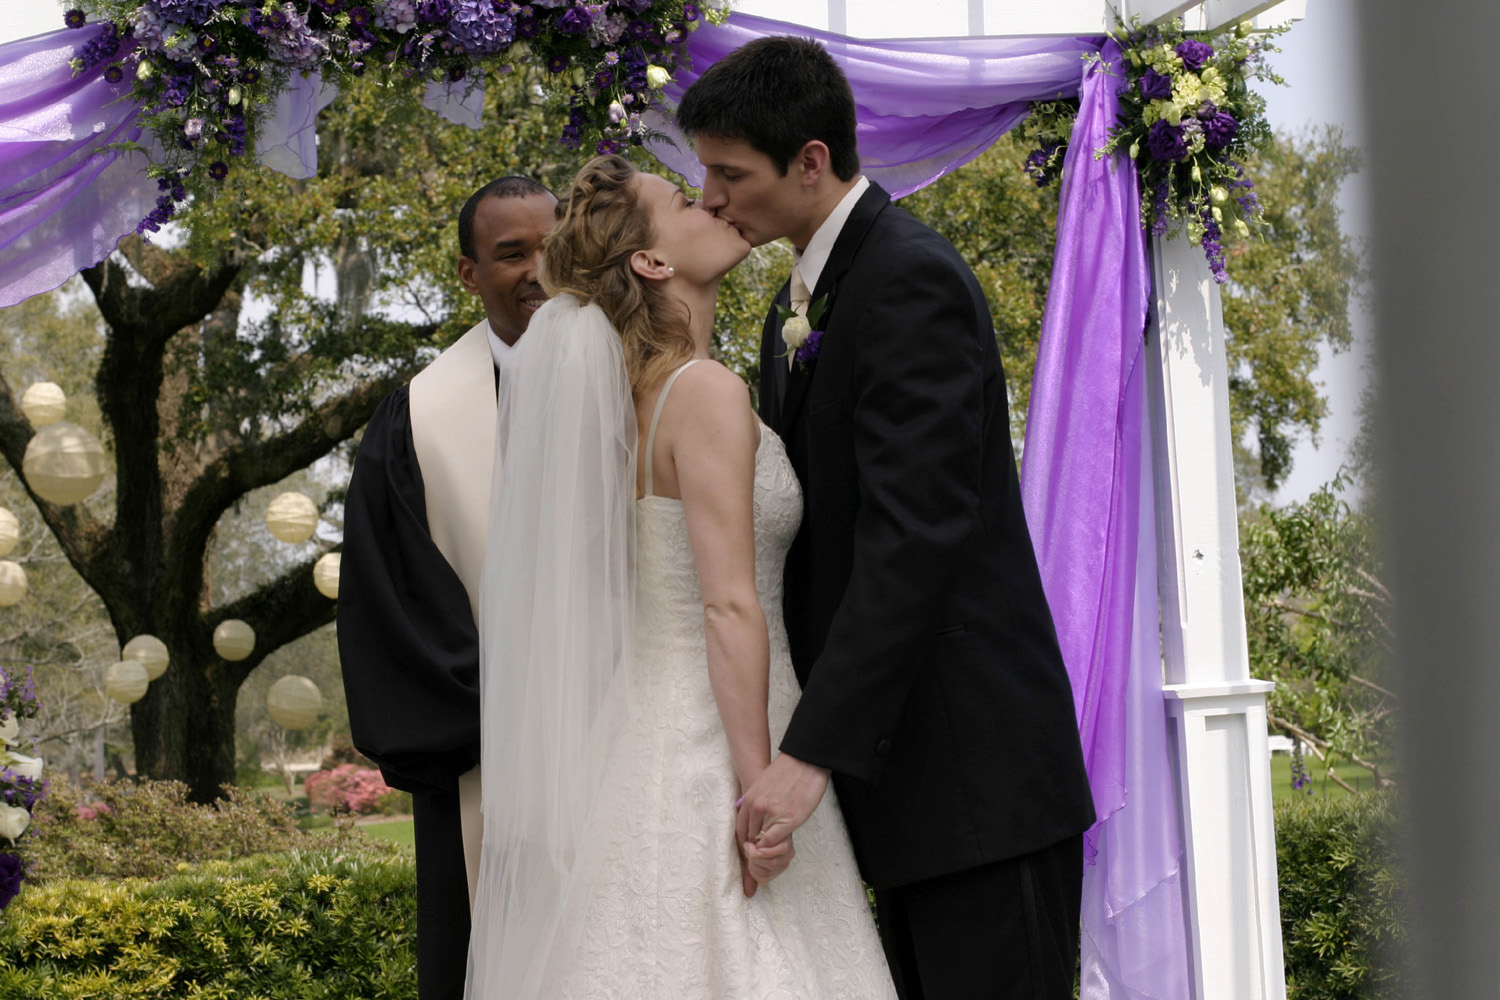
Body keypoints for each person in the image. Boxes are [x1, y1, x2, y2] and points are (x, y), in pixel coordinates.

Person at [675, 36, 1098, 999]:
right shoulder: (802, 298)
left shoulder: (908, 278)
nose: (711, 197)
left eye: (730, 173)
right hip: (904, 787)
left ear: (810, 161)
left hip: (973, 777)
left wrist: (810, 751)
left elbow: (916, 535)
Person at [463, 155, 898, 1000]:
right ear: (651, 261)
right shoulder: (701, 392)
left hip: (640, 735)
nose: (712, 204)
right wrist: (759, 792)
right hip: (718, 741)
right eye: (683, 201)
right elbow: (728, 606)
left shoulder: (626, 401)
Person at [337, 175, 557, 1000]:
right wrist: (516, 715)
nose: (538, 271)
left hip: (631, 747)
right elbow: (393, 603)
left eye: (553, 248)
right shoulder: (420, 421)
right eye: (512, 254)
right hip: (483, 762)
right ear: (470, 274)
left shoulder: (642, 385)